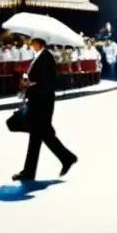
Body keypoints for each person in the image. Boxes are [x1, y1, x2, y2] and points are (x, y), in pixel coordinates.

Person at [13, 36, 78, 181]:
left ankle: (66, 158)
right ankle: (31, 170)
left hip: (42, 101)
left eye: (33, 42)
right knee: (38, 135)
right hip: (38, 99)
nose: (31, 45)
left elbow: (48, 79)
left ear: (39, 43)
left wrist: (31, 82)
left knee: (42, 134)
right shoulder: (39, 56)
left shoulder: (46, 57)